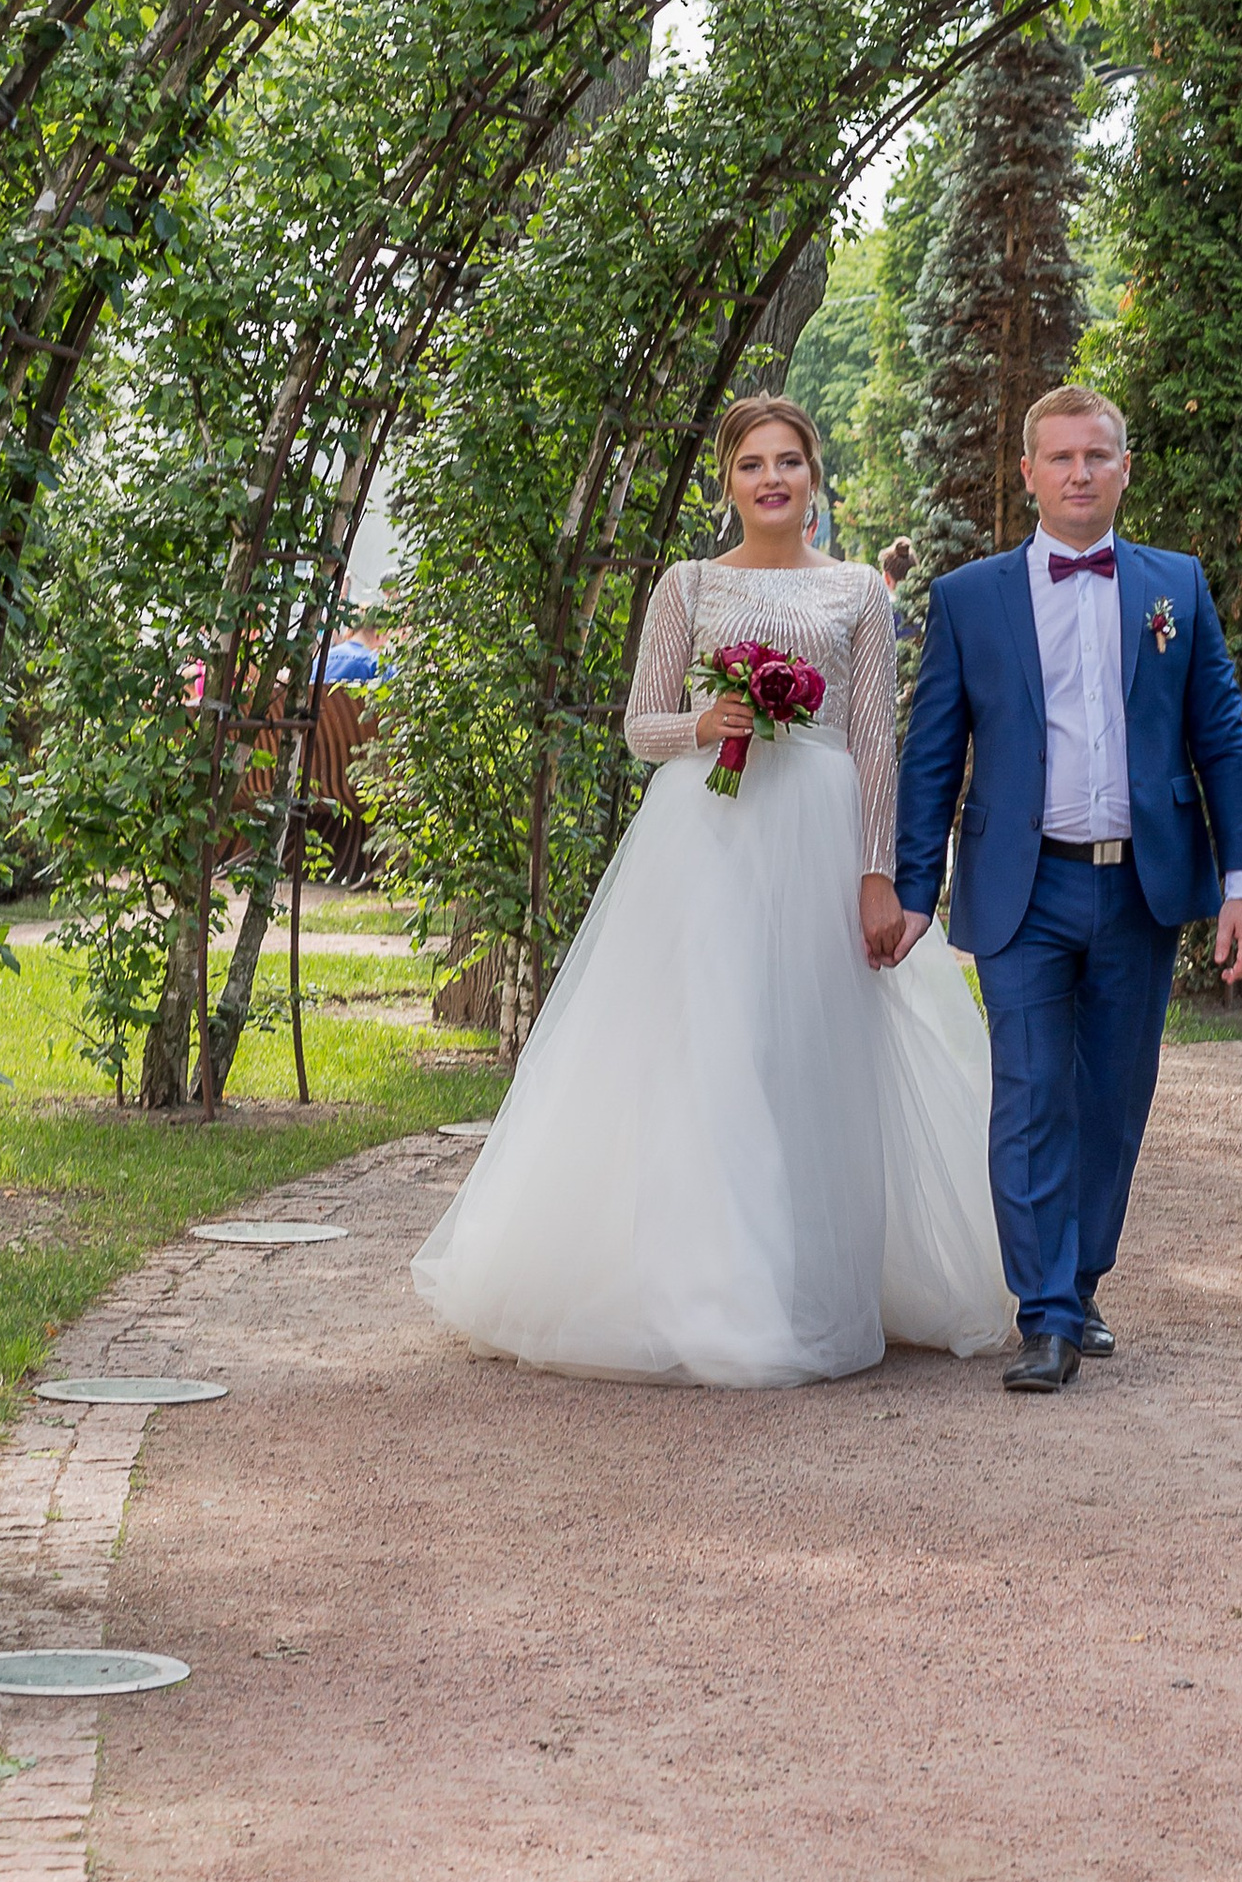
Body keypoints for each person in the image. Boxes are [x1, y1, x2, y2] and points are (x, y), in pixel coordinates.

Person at [412, 397, 1012, 1386]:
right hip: (707, 842)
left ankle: (808, 1278)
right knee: (709, 1047)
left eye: (788, 462)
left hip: (818, 839)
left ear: (815, 477)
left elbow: (875, 747)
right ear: (727, 482)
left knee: (808, 1051)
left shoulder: (861, 593)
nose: (770, 479)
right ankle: (714, 1291)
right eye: (750, 465)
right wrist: (707, 720)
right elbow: (638, 726)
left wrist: (879, 877)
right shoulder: (686, 585)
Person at [888, 384, 1242, 1395]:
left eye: (1096, 455)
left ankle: (1081, 1276)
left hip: (1141, 888)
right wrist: (913, 890)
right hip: (1023, 887)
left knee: (1113, 1100)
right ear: (1027, 474)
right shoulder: (970, 599)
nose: (1078, 473)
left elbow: (1221, 740)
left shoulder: (1173, 590)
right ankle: (1045, 1315)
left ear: (1124, 467)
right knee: (1027, 1093)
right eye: (1059, 458)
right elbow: (933, 757)